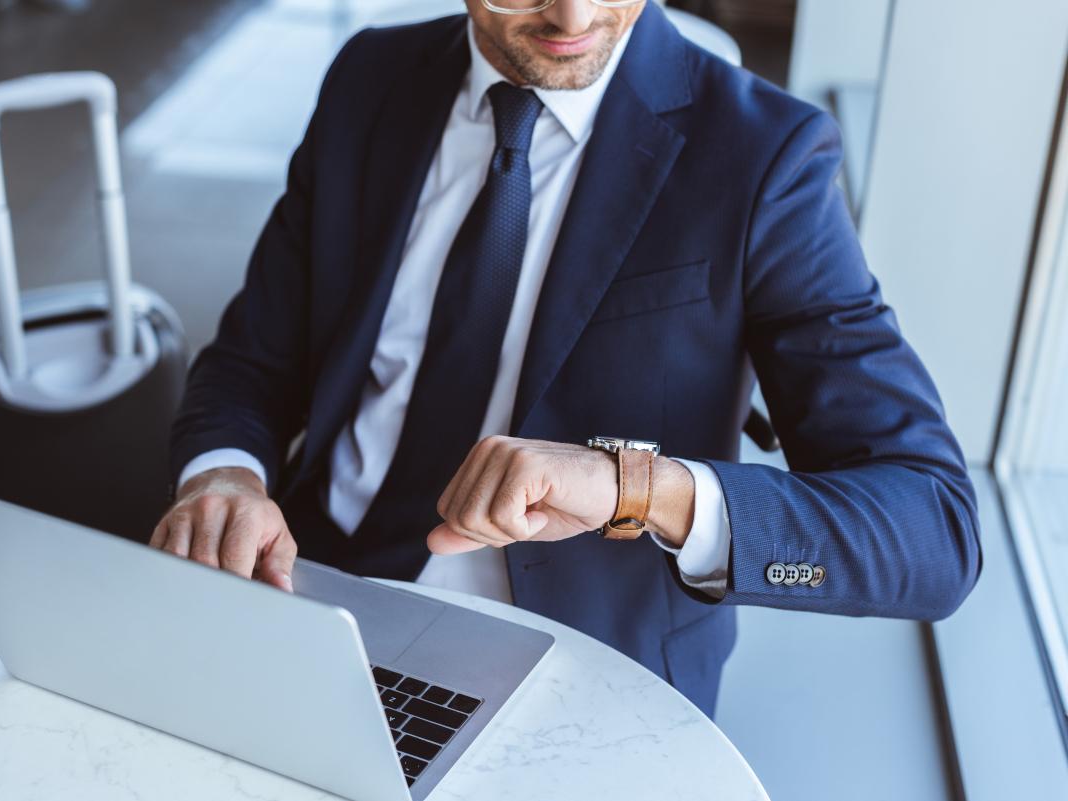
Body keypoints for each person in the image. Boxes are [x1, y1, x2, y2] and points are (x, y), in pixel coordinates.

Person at [154, 0, 982, 718]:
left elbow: (933, 527)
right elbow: (249, 364)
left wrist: (634, 486)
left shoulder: (766, 156)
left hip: (579, 663)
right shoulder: (369, 79)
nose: (576, 19)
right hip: (315, 594)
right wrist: (225, 476)